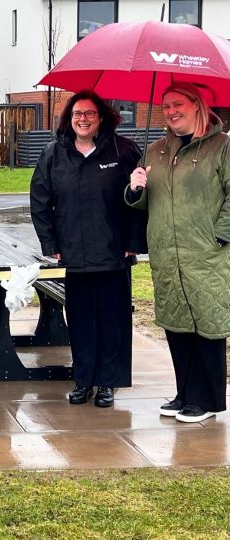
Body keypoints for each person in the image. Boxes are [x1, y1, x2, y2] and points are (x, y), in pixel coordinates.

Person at [30, 90, 144, 408]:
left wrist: (133, 243)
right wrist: (50, 244)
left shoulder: (123, 151)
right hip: (73, 255)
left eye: (90, 114)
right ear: (69, 118)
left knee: (111, 319)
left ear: (101, 117)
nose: (83, 119)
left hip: (113, 253)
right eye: (78, 113)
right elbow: (40, 201)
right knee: (80, 321)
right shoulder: (54, 154)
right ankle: (83, 381)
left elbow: (141, 203)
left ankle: (107, 382)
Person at [128, 82, 230, 423]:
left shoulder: (222, 147)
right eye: (166, 105)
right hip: (167, 255)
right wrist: (135, 187)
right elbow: (142, 203)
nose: (171, 112)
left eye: (178, 105)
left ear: (197, 105)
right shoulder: (156, 150)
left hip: (206, 255)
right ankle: (185, 393)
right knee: (176, 324)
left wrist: (219, 237)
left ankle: (207, 400)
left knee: (207, 324)